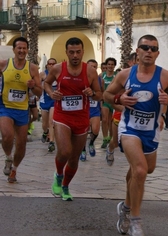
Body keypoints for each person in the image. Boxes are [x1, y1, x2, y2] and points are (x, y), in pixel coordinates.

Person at [103, 34, 168, 236]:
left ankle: (126, 206)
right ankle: (135, 222)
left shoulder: (166, 77)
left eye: (153, 48)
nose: (149, 51)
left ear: (157, 54)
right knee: (140, 170)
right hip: (129, 128)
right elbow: (105, 95)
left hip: (151, 131)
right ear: (137, 52)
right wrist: (118, 98)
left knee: (144, 170)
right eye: (145, 47)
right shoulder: (125, 75)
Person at [43, 37, 102, 201]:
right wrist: (51, 93)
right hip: (62, 116)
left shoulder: (90, 71)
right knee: (65, 151)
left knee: (74, 158)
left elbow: (99, 95)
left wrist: (92, 93)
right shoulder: (57, 68)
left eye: (78, 52)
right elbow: (46, 84)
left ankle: (66, 186)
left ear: (82, 52)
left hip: (82, 118)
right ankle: (58, 175)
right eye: (71, 52)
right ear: (66, 52)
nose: (75, 55)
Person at [0, 37, 42, 183]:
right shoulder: (4, 64)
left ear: (27, 50)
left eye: (24, 48)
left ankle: (14, 169)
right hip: (5, 107)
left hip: (23, 109)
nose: (22, 51)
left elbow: (39, 92)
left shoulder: (32, 68)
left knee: (21, 142)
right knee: (7, 136)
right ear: (14, 50)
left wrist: (33, 86)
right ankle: (8, 157)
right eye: (19, 48)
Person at [106, 52, 138, 166]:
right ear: (130, 62)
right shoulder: (123, 77)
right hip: (120, 115)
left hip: (137, 118)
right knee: (115, 142)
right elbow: (109, 97)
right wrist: (120, 106)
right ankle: (110, 148)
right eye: (137, 60)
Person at [80, 59, 104, 161]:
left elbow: (101, 94)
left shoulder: (100, 79)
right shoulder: (80, 78)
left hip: (95, 108)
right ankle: (83, 150)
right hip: (83, 109)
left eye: (95, 66)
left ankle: (91, 143)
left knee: (96, 129)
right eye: (91, 66)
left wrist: (102, 107)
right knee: (84, 131)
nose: (93, 68)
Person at [39, 58, 57, 152]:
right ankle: (45, 132)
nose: (51, 65)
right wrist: (44, 86)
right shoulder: (43, 74)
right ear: (47, 65)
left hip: (53, 101)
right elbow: (37, 86)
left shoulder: (58, 74)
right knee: (44, 124)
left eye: (53, 63)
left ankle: (52, 142)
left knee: (51, 121)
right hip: (44, 100)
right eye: (50, 63)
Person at [101, 57, 117, 148]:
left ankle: (111, 138)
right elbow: (99, 88)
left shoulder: (117, 75)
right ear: (106, 65)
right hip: (105, 101)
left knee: (111, 120)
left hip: (114, 101)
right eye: (109, 64)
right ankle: (104, 138)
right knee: (104, 119)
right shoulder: (102, 75)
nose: (110, 66)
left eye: (112, 64)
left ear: (114, 66)